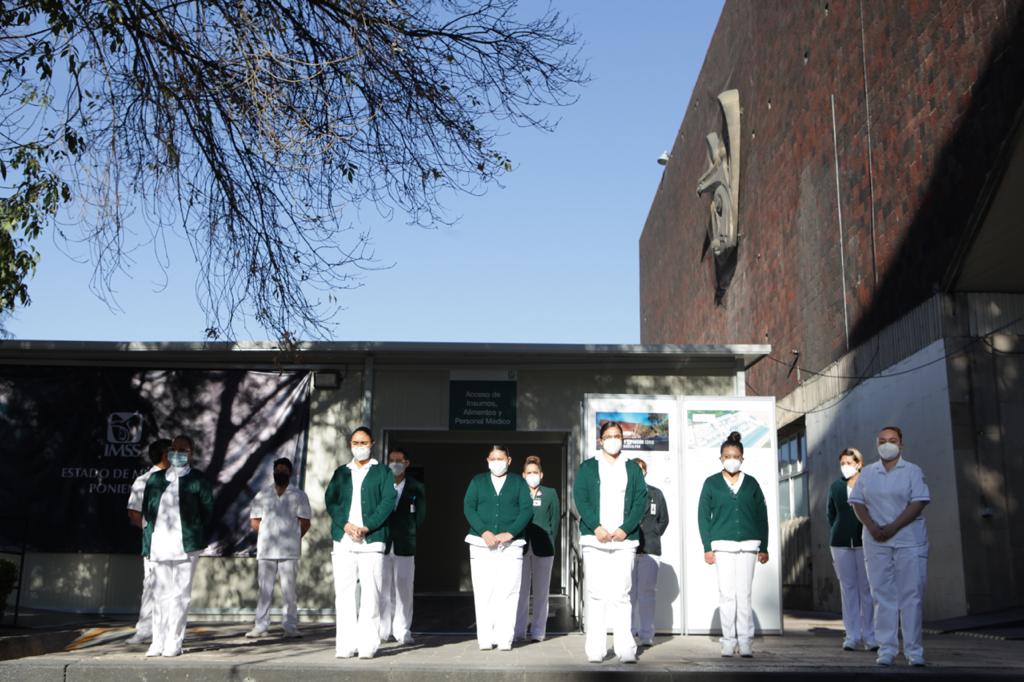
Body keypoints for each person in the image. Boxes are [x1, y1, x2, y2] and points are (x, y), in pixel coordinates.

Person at [849, 426, 930, 667]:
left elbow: (918, 502)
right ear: (877, 445)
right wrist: (873, 527)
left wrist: (893, 527)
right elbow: (857, 502)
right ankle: (886, 649)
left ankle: (914, 651)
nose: (887, 445)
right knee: (882, 595)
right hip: (876, 542)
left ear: (901, 444)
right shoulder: (868, 473)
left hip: (909, 541)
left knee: (911, 596)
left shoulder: (912, 471)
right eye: (882, 441)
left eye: (892, 440)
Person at [574, 421, 648, 664]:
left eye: (617, 436)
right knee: (596, 595)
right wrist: (596, 527)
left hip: (624, 541)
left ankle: (625, 649)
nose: (613, 440)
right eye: (608, 436)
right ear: (600, 440)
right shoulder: (588, 467)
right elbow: (581, 498)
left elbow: (640, 501)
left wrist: (625, 529)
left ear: (622, 440)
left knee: (621, 594)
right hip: (594, 539)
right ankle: (595, 650)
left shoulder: (632, 468)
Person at [324, 426, 396, 659]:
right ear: (350, 445)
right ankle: (345, 645)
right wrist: (345, 525)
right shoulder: (341, 472)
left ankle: (367, 645)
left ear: (372, 444)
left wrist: (368, 526)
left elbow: (388, 501)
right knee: (344, 594)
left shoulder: (382, 472)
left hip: (371, 541)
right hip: (344, 539)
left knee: (371, 593)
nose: (359, 447)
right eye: (355, 443)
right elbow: (331, 501)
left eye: (363, 442)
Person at [141, 435, 214, 657]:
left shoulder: (198, 480)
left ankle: (174, 642)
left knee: (180, 594)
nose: (177, 453)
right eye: (174, 449)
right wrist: (150, 541)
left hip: (187, 545)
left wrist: (194, 531)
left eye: (183, 450)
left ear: (191, 453)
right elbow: (147, 511)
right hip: (159, 544)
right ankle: (158, 641)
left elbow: (207, 511)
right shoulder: (155, 479)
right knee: (160, 594)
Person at [697, 431, 768, 658]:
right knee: (727, 595)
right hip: (722, 545)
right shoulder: (711, 483)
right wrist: (707, 547)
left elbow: (762, 515)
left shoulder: (752, 483)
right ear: (721, 458)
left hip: (749, 544)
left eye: (735, 456)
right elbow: (703, 516)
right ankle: (728, 641)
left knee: (744, 595)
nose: (731, 460)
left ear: (742, 458)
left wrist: (764, 546)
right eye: (727, 456)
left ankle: (746, 641)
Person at [463, 444, 533, 651]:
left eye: (500, 459)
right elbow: (469, 507)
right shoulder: (478, 481)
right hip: (480, 544)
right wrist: (484, 531)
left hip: (511, 545)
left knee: (509, 590)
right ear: (487, 461)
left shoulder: (518, 482)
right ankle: (485, 638)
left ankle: (505, 638)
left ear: (509, 461)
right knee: (484, 591)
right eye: (492, 459)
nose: (496, 463)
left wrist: (510, 533)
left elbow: (527, 510)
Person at [246, 457, 312, 639]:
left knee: (289, 591)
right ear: (273, 472)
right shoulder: (263, 494)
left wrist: (293, 537)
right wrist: (268, 535)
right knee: (264, 590)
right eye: (278, 469)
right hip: (266, 550)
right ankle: (260, 626)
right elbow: (254, 521)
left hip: (289, 551)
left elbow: (305, 522)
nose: (281, 472)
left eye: (284, 469)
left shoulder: (299, 495)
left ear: (290, 472)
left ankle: (290, 626)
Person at [826, 447, 876, 652]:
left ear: (859, 464)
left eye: (849, 463)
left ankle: (870, 636)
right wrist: (839, 530)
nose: (845, 466)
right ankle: (852, 636)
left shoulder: (869, 483)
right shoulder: (836, 486)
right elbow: (831, 514)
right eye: (842, 463)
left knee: (867, 589)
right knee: (848, 589)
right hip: (839, 542)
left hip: (865, 542)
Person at [125, 437, 171, 645]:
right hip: (154, 542)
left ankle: (169, 631)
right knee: (152, 583)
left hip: (178, 543)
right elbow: (134, 512)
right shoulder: (144, 480)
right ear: (165, 455)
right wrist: (150, 530)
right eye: (172, 451)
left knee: (174, 586)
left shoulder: (179, 479)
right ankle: (144, 630)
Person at [379, 447, 426, 646]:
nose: (395, 464)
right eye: (392, 460)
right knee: (383, 588)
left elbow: (420, 515)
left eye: (399, 460)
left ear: (407, 463)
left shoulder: (416, 486)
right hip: (383, 542)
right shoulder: (382, 483)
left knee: (404, 588)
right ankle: (383, 630)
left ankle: (403, 630)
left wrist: (408, 531)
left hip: (405, 543)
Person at [514, 454, 560, 643]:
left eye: (535, 472)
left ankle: (538, 631)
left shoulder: (550, 493)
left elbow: (555, 520)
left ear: (541, 474)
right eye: (529, 472)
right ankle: (519, 631)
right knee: (520, 592)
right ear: (523, 475)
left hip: (544, 548)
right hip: (521, 547)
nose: (532, 475)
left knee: (541, 592)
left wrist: (550, 540)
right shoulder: (518, 492)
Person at [629, 457, 669, 647]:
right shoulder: (623, 493)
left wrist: (653, 533)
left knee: (647, 593)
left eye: (641, 469)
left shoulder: (656, 493)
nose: (639, 472)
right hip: (628, 548)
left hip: (650, 549)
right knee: (628, 594)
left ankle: (646, 635)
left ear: (646, 472)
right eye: (635, 469)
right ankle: (628, 633)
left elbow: (664, 520)